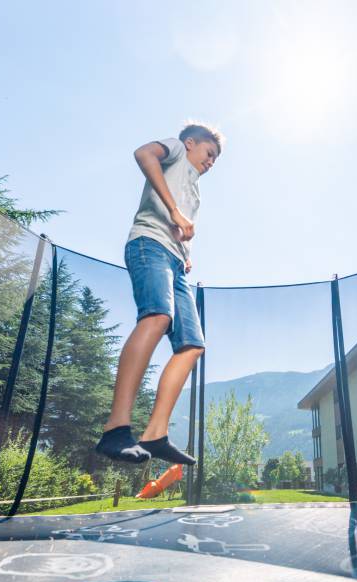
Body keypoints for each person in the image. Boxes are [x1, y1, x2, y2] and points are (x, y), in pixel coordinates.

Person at [96, 122, 223, 466]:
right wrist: (174, 211)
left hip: (174, 260)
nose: (211, 162)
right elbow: (143, 154)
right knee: (157, 315)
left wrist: (186, 253)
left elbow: (180, 224)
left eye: (215, 160)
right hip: (147, 244)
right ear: (192, 143)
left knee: (192, 344)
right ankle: (115, 428)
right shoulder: (177, 149)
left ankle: (155, 434)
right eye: (209, 154)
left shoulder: (195, 189)